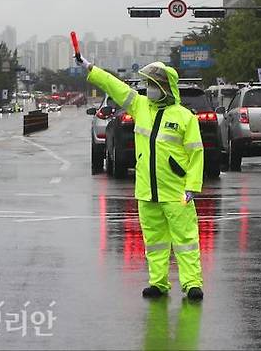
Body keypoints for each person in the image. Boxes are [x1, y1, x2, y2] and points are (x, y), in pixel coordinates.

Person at [78, 57, 204, 301]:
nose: (150, 89)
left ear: (166, 88)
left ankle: (192, 284)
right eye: (148, 84)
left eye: (154, 84)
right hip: (147, 191)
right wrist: (92, 70)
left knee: (186, 240)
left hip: (176, 191)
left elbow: (196, 153)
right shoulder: (140, 106)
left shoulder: (184, 117)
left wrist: (192, 186)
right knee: (154, 241)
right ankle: (158, 282)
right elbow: (116, 86)